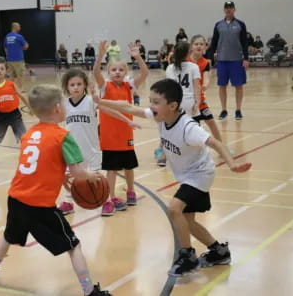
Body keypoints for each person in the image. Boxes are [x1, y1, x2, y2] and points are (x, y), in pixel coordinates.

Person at [92, 78, 251, 277]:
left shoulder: (188, 127)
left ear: (173, 106)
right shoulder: (162, 116)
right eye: (150, 101)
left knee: (174, 210)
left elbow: (216, 144)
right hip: (188, 176)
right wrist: (101, 101)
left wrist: (232, 163)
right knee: (187, 222)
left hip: (200, 175)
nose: (151, 106)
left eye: (156, 102)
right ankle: (219, 251)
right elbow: (128, 107)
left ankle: (187, 257)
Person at [0, 84, 112, 296]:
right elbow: (78, 172)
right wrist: (92, 176)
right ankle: (89, 291)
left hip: (16, 198)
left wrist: (61, 180)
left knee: (9, 236)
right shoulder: (63, 136)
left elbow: (40, 167)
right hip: (40, 206)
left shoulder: (29, 135)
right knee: (73, 245)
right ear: (58, 108)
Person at [57, 69, 140, 215]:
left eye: (79, 84)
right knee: (69, 177)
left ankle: (107, 201)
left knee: (98, 178)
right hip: (72, 149)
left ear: (85, 86)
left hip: (92, 148)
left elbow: (110, 111)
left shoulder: (90, 101)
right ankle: (69, 201)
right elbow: (56, 121)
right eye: (72, 85)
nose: (75, 87)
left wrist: (127, 120)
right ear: (67, 87)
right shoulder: (64, 104)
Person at [94, 40, 149, 216]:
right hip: (109, 135)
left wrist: (138, 57)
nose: (117, 72)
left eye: (121, 69)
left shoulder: (129, 85)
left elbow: (145, 72)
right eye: (113, 70)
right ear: (108, 72)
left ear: (126, 72)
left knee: (129, 166)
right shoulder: (105, 86)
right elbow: (95, 71)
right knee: (111, 168)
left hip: (126, 132)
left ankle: (130, 192)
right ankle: (109, 199)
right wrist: (100, 56)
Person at [207, 1, 249, 121]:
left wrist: (246, 58)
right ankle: (224, 110)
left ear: (234, 9)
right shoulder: (218, 25)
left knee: (238, 86)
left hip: (236, 60)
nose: (228, 10)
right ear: (224, 10)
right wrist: (210, 58)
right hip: (222, 60)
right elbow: (214, 42)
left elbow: (245, 42)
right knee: (222, 86)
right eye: (226, 8)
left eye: (231, 8)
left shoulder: (240, 24)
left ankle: (238, 110)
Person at [4, 22, 29, 90]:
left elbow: (5, 48)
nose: (20, 28)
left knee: (11, 76)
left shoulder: (7, 36)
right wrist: (21, 48)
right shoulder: (19, 36)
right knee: (20, 75)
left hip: (9, 60)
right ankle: (20, 89)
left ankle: (11, 89)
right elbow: (26, 46)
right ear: (15, 27)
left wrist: (8, 56)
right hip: (18, 60)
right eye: (19, 26)